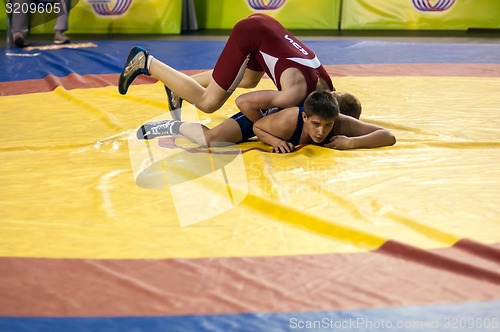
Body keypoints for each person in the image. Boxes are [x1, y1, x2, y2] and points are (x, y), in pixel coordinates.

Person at [119, 13, 335, 126]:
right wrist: (268, 130)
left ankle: (180, 87)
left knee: (250, 79)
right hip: (250, 34)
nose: (319, 129)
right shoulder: (294, 95)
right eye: (319, 124)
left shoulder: (328, 88)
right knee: (208, 103)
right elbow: (246, 103)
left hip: (266, 28)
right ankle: (146, 62)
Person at [136, 91, 395, 152]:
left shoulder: (337, 121)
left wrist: (352, 142)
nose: (321, 132)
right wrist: (275, 140)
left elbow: (388, 135)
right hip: (262, 120)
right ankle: (171, 126)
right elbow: (259, 126)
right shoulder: (287, 121)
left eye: (326, 126)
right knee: (211, 140)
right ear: (305, 118)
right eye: (316, 125)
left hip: (282, 121)